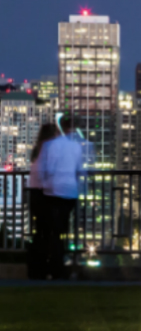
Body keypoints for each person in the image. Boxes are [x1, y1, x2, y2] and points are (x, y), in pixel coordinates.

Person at [38, 116, 85, 280]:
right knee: (63, 229)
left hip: (54, 191)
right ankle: (63, 264)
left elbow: (47, 169)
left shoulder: (51, 145)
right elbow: (79, 170)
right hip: (71, 192)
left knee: (53, 231)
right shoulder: (77, 147)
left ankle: (54, 267)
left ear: (60, 126)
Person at [25, 122, 62, 281]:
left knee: (40, 233)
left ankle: (36, 268)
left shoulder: (37, 150)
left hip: (35, 194)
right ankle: (50, 269)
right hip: (46, 194)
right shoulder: (50, 149)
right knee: (51, 233)